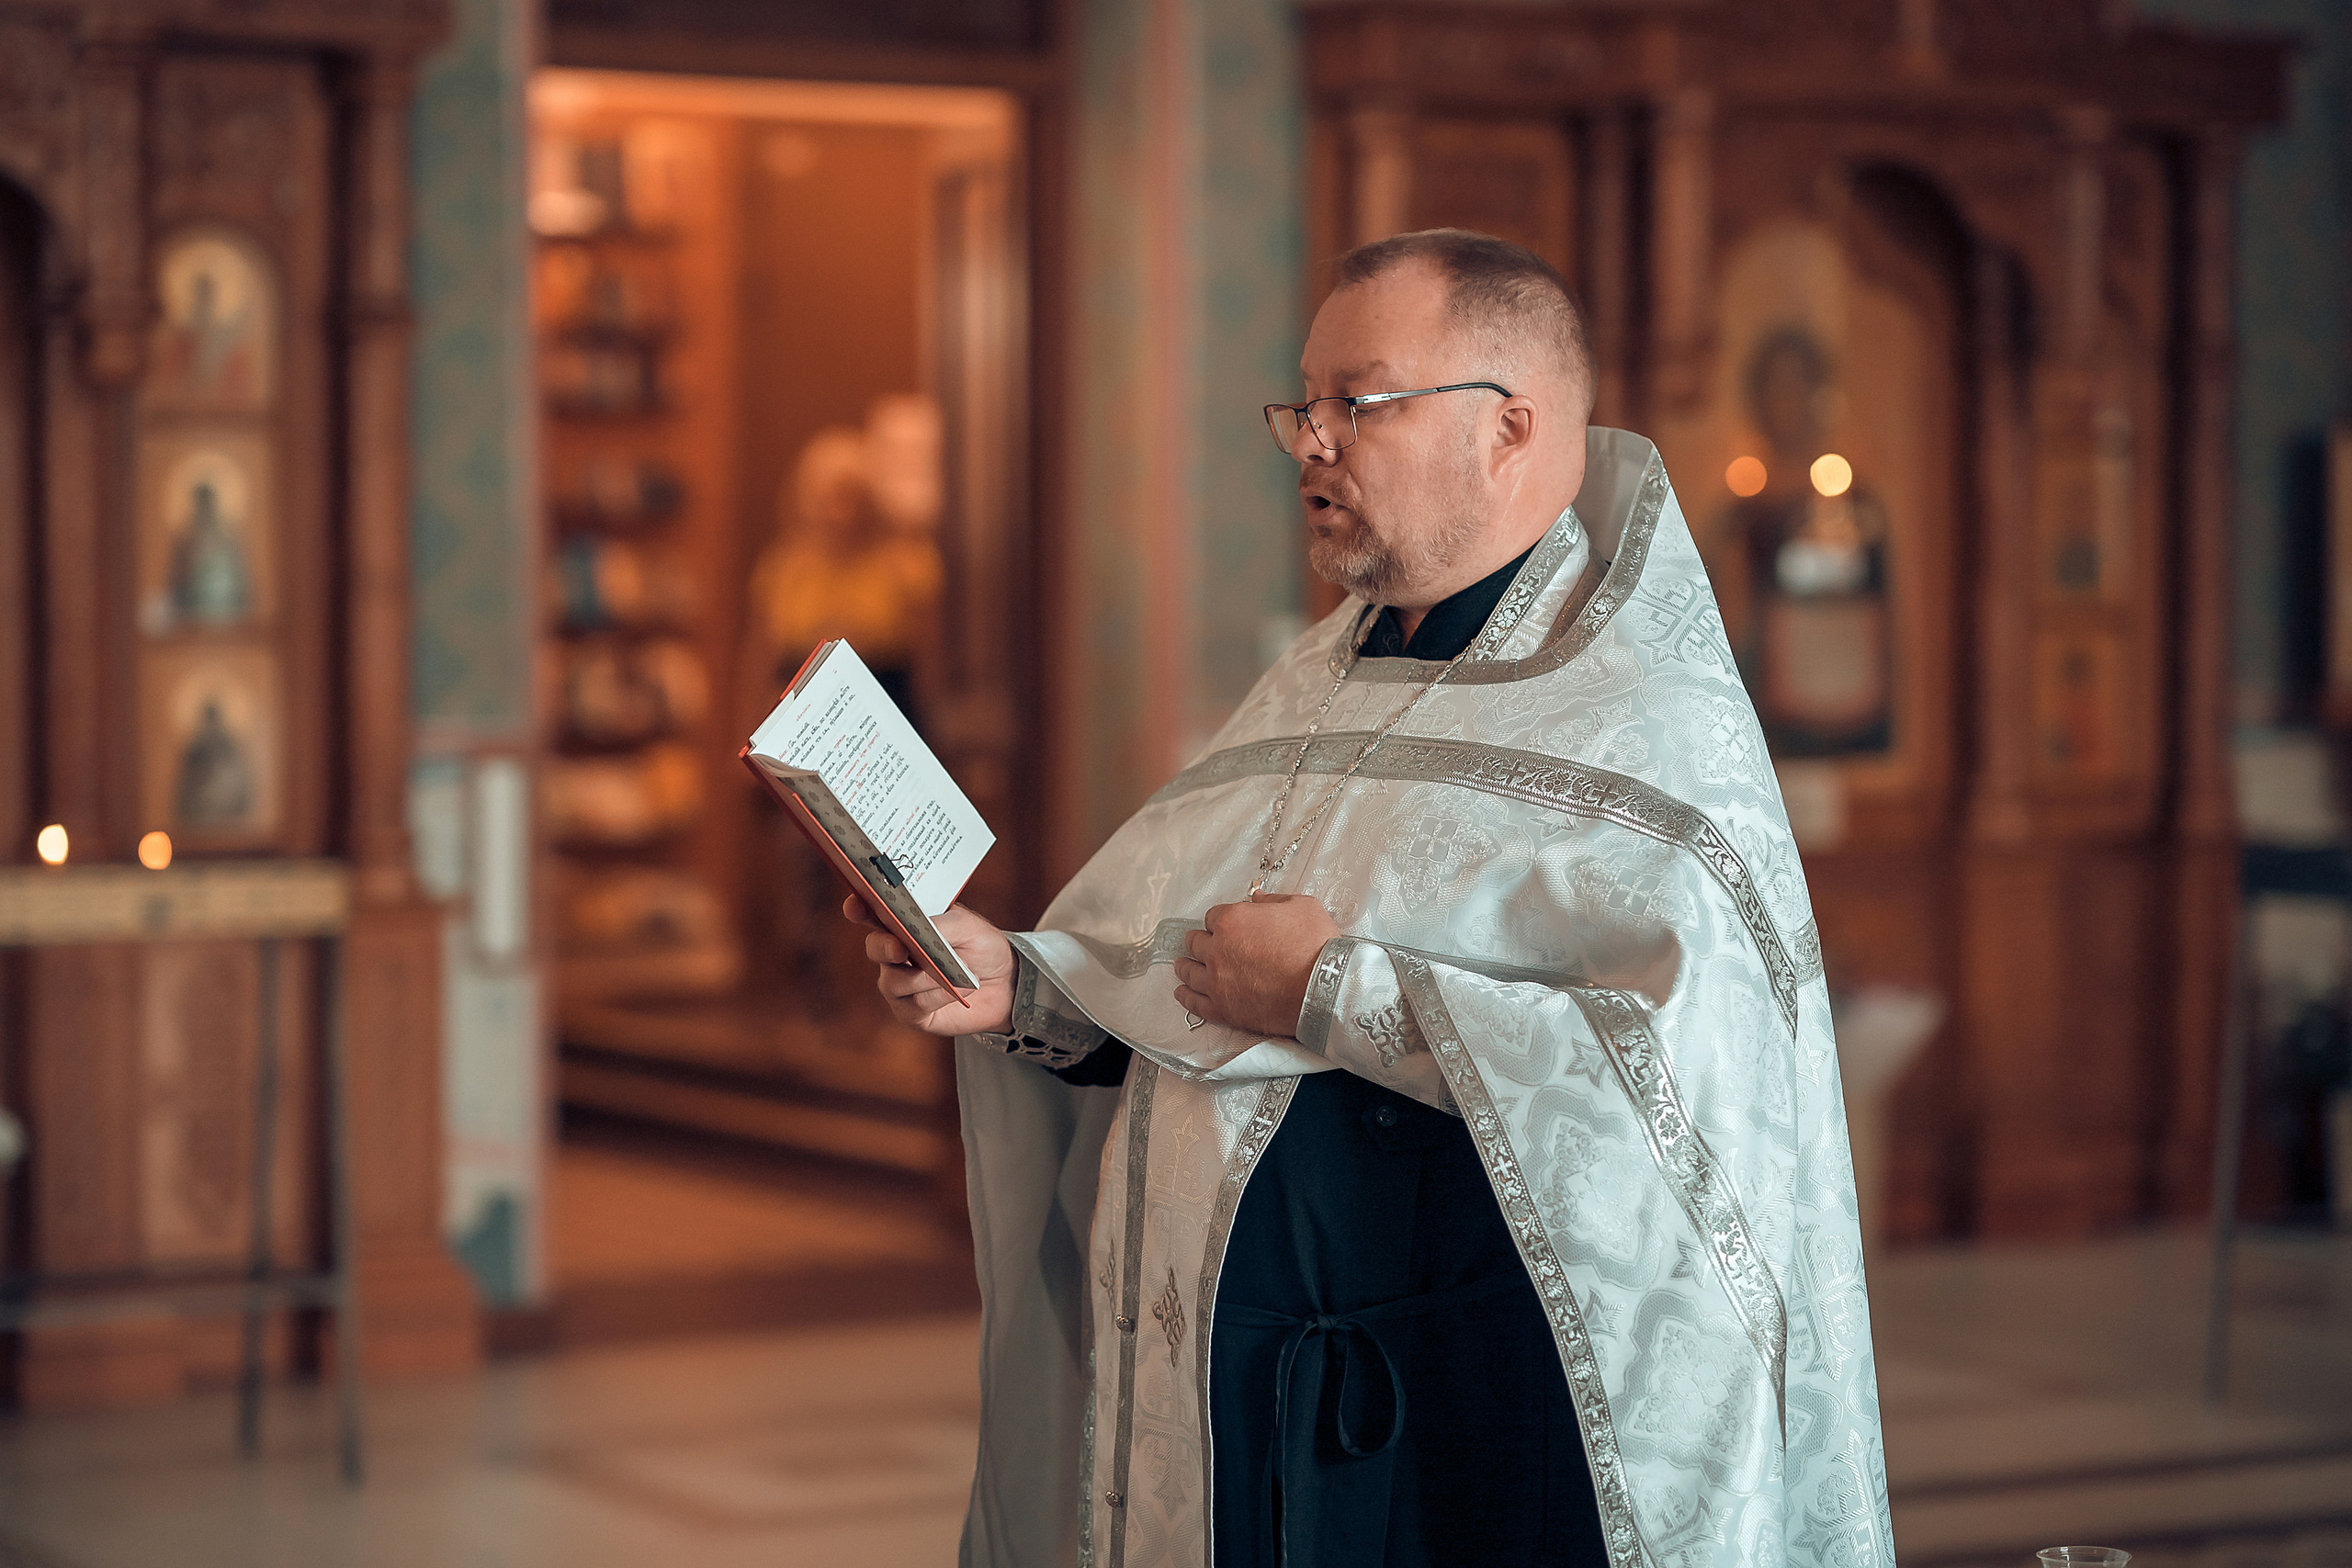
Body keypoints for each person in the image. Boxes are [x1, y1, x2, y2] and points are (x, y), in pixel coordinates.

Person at [849, 230, 1892, 1568]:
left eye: (1362, 402)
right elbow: (1191, 960)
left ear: (1508, 428)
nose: (1313, 444)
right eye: (1306, 405)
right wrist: (1029, 986)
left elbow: (1672, 1095)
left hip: (1466, 1431)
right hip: (1238, 1417)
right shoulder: (1324, 676)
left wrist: (1333, 992)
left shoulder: (1650, 725)